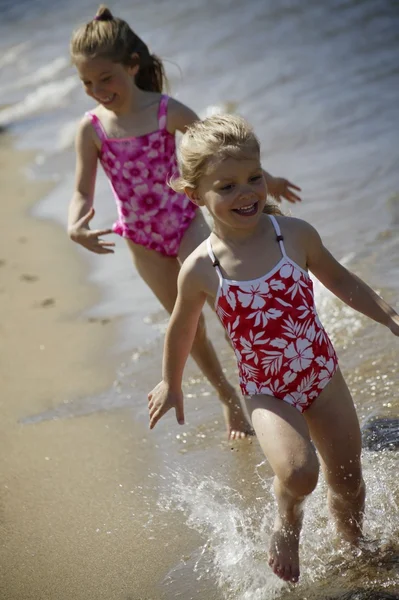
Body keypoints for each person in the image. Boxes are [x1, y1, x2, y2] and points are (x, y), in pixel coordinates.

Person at [147, 114, 399, 583]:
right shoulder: (202, 268)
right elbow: (182, 328)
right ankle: (288, 521)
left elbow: (340, 280)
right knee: (301, 473)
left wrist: (387, 313)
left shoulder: (294, 234)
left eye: (254, 178)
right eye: (226, 187)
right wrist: (171, 381)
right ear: (193, 193)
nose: (246, 194)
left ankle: (355, 550)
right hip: (268, 392)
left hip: (321, 375)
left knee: (348, 478)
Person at [67, 4, 302, 440]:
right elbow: (82, 189)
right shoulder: (92, 130)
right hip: (141, 240)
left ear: (132, 65)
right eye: (86, 83)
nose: (97, 90)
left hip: (187, 225)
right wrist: (75, 224)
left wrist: (267, 180)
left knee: (231, 309)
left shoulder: (165, 111)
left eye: (106, 78)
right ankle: (227, 397)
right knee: (188, 326)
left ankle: (268, 388)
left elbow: (222, 154)